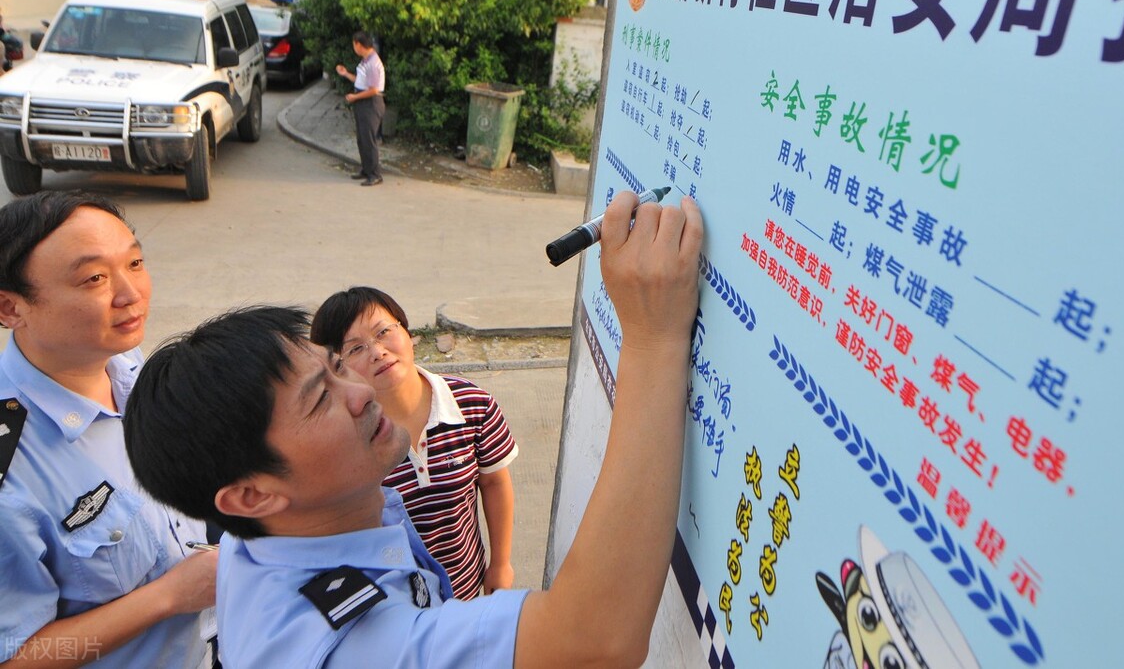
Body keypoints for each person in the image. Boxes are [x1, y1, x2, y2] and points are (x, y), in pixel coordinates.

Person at [124, 192, 702, 667]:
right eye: (321, 399)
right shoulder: (346, 645)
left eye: (335, 369)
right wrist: (653, 340)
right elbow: (596, 639)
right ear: (252, 494)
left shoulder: (272, 537)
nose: (358, 391)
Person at [0, 191, 216, 667]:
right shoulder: (12, 471)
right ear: (11, 309)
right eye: (94, 278)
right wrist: (170, 596)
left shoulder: (127, 365)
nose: (130, 293)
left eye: (135, 263)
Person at [311, 287, 518, 599]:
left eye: (384, 332)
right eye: (355, 349)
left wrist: (500, 564)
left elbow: (494, 484)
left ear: (406, 331)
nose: (377, 351)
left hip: (466, 591)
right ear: (336, 369)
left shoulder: (473, 404)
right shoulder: (343, 440)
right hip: (395, 606)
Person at [335, 32, 386, 187]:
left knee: (369, 139)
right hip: (363, 102)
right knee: (362, 138)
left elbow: (373, 90)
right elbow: (361, 81)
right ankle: (366, 169)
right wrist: (346, 74)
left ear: (358, 44)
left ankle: (375, 174)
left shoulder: (372, 63)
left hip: (371, 103)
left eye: (353, 45)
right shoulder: (366, 60)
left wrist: (355, 97)